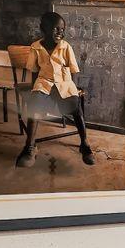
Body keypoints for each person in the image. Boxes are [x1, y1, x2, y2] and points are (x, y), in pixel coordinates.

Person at [16, 11, 93, 167]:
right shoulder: (36, 47)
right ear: (44, 28)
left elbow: (73, 69)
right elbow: (35, 71)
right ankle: (30, 147)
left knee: (76, 108)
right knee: (34, 107)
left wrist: (74, 89)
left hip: (64, 83)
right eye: (56, 28)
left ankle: (84, 144)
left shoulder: (65, 47)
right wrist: (34, 91)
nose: (60, 32)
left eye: (62, 29)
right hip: (44, 82)